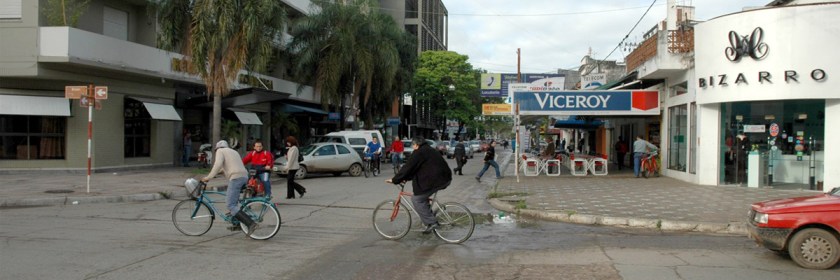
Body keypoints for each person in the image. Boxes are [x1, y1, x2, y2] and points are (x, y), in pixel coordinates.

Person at [386, 137, 452, 234]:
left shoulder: (419, 153)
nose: (412, 147)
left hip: (436, 180)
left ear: (416, 145)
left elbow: (408, 167)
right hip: (444, 178)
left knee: (416, 199)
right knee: (422, 196)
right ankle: (428, 223)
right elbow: (417, 168)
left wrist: (395, 179)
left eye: (413, 145)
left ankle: (432, 223)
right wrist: (405, 178)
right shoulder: (430, 149)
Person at [201, 140, 257, 235]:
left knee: (230, 205)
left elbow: (218, 164)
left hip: (236, 178)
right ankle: (237, 222)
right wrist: (214, 174)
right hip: (244, 176)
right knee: (234, 202)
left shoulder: (220, 151)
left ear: (218, 148)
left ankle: (250, 223)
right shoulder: (233, 151)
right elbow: (224, 167)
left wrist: (208, 177)